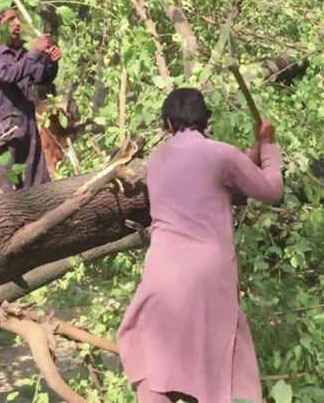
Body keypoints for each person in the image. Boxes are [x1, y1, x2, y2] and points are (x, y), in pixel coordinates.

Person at [117, 88, 283, 403]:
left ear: (168, 123)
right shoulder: (221, 154)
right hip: (209, 278)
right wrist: (269, 146)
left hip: (161, 274)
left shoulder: (156, 160)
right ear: (207, 119)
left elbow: (228, 174)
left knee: (158, 365)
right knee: (218, 372)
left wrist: (257, 147)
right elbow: (270, 189)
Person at [0, 8, 61, 192]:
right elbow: (8, 74)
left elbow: (40, 78)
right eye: (11, 19)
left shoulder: (22, 54)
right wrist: (36, 52)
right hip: (0, 134)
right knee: (4, 196)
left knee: (38, 190)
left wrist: (51, 61)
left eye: (18, 18)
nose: (17, 23)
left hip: (26, 130)